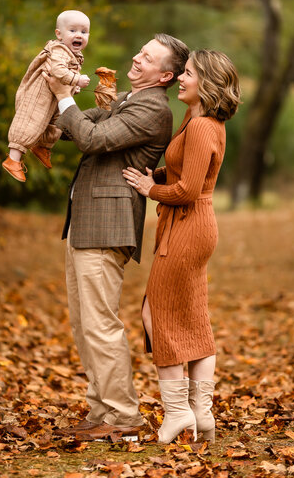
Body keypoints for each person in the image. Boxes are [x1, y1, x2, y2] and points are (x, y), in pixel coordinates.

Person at [44, 34, 190, 441]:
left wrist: (64, 98)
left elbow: (90, 137)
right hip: (87, 220)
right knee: (84, 324)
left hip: (109, 223)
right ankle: (100, 409)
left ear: (166, 75)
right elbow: (78, 129)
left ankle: (124, 415)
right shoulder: (127, 98)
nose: (135, 57)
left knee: (100, 324)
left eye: (147, 57)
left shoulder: (152, 109)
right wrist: (71, 108)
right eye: (139, 51)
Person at [123, 49, 241, 444]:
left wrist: (149, 188)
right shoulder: (199, 121)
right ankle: (201, 414)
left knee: (158, 311)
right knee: (190, 314)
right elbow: (186, 170)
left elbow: (188, 189)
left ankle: (178, 414)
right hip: (191, 225)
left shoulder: (204, 125)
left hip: (189, 225)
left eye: (187, 73)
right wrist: (154, 174)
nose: (180, 79)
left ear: (205, 82)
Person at [2, 10, 91, 182]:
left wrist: (73, 86)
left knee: (58, 121)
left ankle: (42, 147)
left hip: (54, 95)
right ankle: (13, 159)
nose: (79, 35)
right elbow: (58, 70)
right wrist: (76, 79)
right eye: (72, 30)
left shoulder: (74, 54)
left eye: (84, 31)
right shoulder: (59, 49)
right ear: (59, 34)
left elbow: (65, 74)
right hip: (40, 94)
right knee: (30, 120)